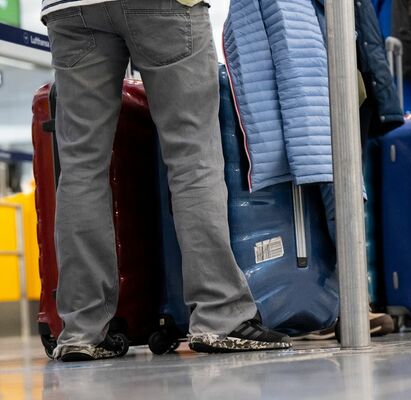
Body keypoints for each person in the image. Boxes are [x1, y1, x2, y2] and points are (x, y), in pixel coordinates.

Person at [42, 0, 291, 361]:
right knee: (193, 158)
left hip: (70, 9)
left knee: (81, 166)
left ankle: (82, 331)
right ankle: (219, 316)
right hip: (164, 7)